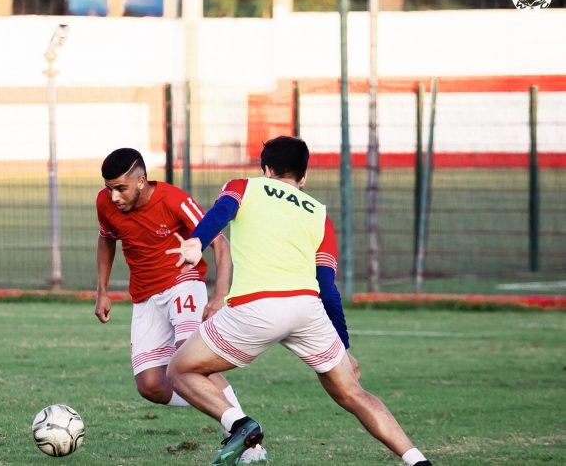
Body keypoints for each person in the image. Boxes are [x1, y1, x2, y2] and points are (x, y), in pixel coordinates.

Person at [165, 136, 431, 466]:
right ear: (303, 177)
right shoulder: (319, 214)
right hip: (307, 309)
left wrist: (196, 241)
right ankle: (418, 460)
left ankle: (239, 423)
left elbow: (222, 211)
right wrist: (343, 346)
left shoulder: (244, 186)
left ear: (266, 169)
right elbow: (327, 287)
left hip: (257, 307)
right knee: (353, 393)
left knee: (180, 370)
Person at [94, 147, 268, 463]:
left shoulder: (174, 200)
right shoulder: (105, 203)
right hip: (145, 297)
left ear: (141, 181)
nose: (114, 196)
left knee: (189, 361)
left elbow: (220, 244)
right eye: (109, 188)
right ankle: (220, 401)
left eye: (121, 188)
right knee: (151, 386)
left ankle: (248, 439)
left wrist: (219, 296)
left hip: (183, 284)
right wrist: (102, 290)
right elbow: (106, 238)